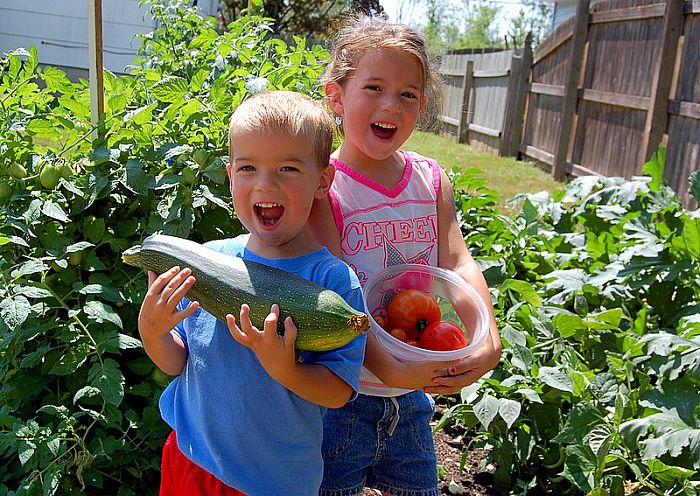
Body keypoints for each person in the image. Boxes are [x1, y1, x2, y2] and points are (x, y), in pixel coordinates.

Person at [138, 90, 367, 496]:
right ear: (230, 177)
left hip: (272, 481)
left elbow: (338, 391)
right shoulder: (207, 261)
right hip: (191, 459)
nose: (266, 184)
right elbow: (178, 362)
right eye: (248, 168)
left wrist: (286, 370)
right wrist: (154, 333)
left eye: (288, 169)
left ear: (322, 180)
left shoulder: (332, 282)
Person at [308, 18, 502, 496]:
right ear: (336, 95)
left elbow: (456, 262)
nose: (391, 105)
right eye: (373, 87)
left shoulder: (430, 180)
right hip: (342, 398)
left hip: (412, 402)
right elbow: (333, 304)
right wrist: (388, 368)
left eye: (409, 94)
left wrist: (488, 336)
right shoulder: (323, 188)